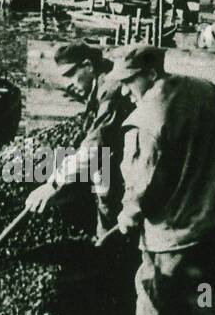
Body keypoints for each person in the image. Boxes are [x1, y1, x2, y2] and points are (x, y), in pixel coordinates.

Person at [112, 46, 215, 315]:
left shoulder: (144, 122)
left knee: (154, 296)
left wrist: (128, 216)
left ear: (150, 74)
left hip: (175, 235)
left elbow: (142, 184)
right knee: (207, 286)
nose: (125, 91)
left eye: (128, 82)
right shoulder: (201, 88)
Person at [24, 41, 133, 237]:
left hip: (134, 158)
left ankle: (110, 244)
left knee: (105, 187)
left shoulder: (110, 90)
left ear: (87, 66)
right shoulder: (100, 81)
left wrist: (53, 184)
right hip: (117, 151)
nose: (68, 83)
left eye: (70, 74)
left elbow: (97, 144)